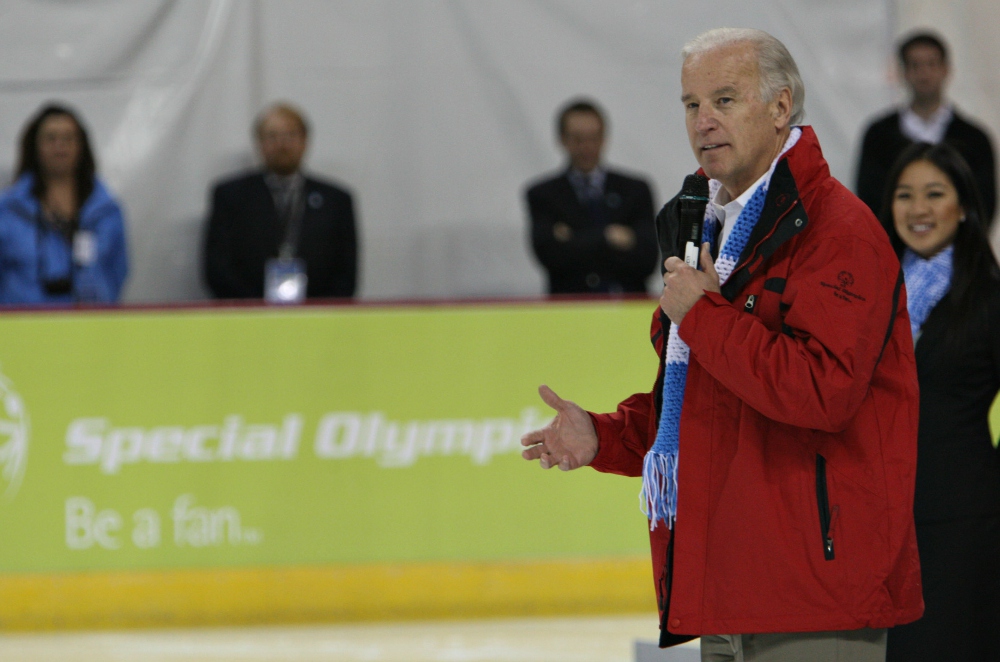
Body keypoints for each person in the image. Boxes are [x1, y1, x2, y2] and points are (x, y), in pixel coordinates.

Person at [521, 28, 923, 660]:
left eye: (725, 100)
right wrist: (606, 436)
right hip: (728, 588)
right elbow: (707, 405)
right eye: (690, 104)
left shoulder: (838, 231)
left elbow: (823, 394)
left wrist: (705, 317)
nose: (703, 121)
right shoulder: (706, 229)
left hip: (814, 594)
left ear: (781, 106)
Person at [877, 142, 1000, 661]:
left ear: (964, 206)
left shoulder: (990, 300)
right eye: (905, 195)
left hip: (961, 523)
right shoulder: (868, 295)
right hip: (877, 519)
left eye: (934, 193)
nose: (918, 209)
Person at [203, 102, 357, 300]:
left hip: (319, 318)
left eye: (291, 135)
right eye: (272, 136)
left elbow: (346, 273)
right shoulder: (230, 196)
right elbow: (217, 268)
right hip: (247, 317)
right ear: (258, 143)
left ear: (305, 140)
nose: (282, 144)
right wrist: (256, 309)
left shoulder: (337, 200)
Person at [856, 31, 996, 227]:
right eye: (915, 65)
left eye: (932, 64)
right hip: (894, 253)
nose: (924, 73)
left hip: (957, 254)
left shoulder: (974, 139)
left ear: (946, 69)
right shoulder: (878, 136)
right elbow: (869, 200)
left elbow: (983, 205)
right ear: (903, 71)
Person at [525, 99, 658, 294]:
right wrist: (610, 237)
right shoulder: (543, 194)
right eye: (578, 139)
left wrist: (574, 238)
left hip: (628, 309)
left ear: (604, 138)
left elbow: (647, 260)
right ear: (562, 139)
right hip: (570, 311)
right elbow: (550, 257)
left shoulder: (635, 190)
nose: (587, 147)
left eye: (593, 138)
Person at [0, 103, 128, 304]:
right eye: (50, 138)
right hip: (22, 328)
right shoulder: (8, 211)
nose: (59, 146)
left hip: (91, 327)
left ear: (81, 146)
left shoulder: (107, 211)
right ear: (34, 146)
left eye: (68, 138)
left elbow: (118, 272)